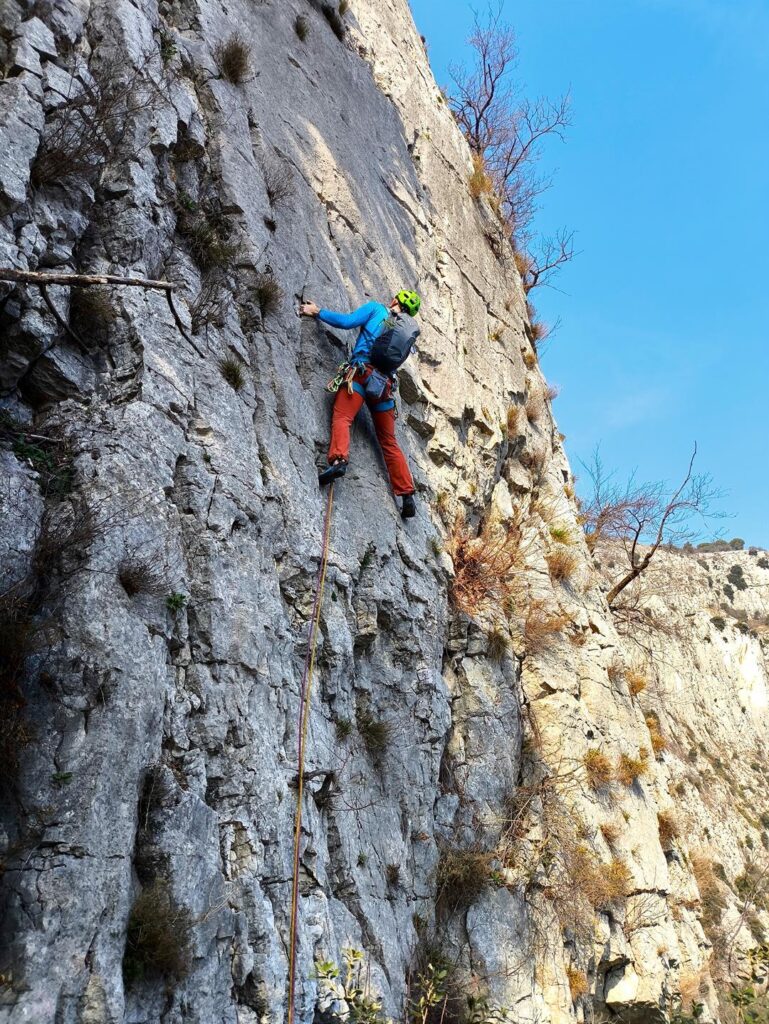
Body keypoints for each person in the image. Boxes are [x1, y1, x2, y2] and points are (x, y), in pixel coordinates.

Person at [299, 290, 421, 519]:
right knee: (389, 442)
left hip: (360, 374)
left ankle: (338, 460)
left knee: (343, 417)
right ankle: (406, 494)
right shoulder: (404, 334)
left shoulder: (376, 309)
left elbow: (347, 322)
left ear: (395, 300)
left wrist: (317, 312)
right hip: (383, 387)